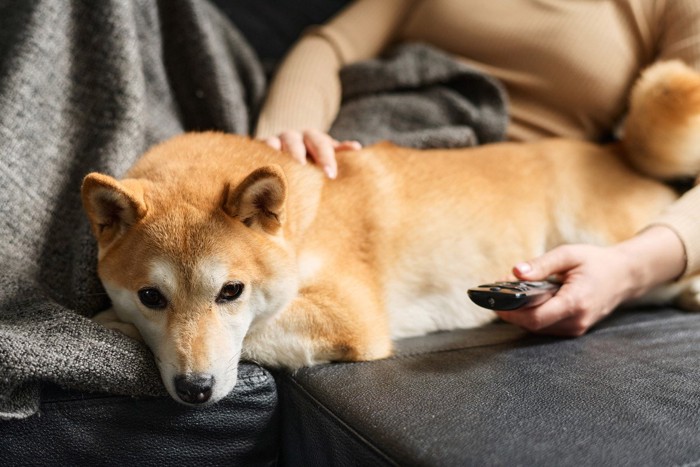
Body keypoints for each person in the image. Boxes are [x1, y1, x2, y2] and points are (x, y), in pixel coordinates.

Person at [253, 0, 700, 337]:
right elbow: (328, 45)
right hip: (359, 146)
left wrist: (629, 270)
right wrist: (284, 136)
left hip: (501, 181)